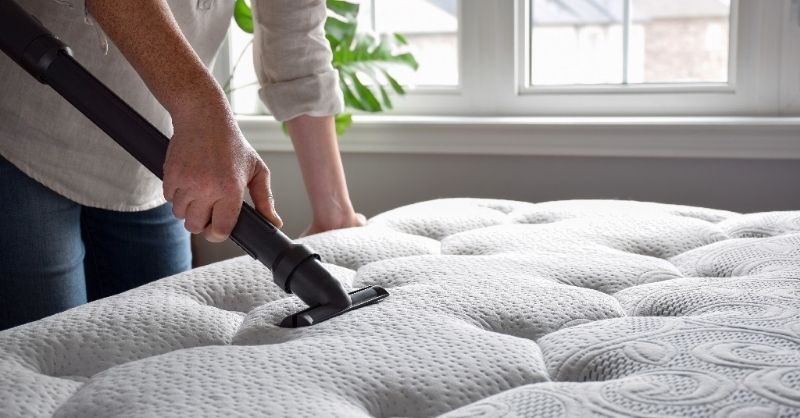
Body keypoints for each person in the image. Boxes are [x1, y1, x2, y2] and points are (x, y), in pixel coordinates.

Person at [0, 0, 365, 330]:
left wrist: (332, 210)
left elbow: (295, 30)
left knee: (163, 351)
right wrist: (203, 110)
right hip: (25, 140)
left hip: (152, 166)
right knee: (44, 350)